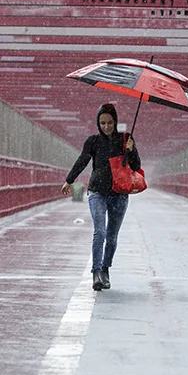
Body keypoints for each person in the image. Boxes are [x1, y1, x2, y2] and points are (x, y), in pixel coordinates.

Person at [62, 103, 141, 291]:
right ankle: (96, 272)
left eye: (110, 122)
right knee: (100, 232)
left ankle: (106, 269)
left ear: (115, 122)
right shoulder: (93, 141)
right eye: (103, 122)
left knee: (112, 236)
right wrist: (69, 180)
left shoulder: (126, 139)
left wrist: (131, 150)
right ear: (98, 123)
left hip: (119, 194)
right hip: (97, 192)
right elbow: (82, 160)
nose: (106, 126)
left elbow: (136, 166)